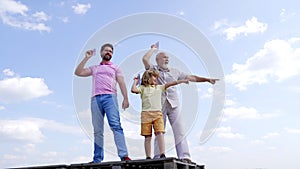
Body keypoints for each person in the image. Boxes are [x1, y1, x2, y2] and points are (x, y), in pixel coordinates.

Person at [142, 43, 218, 163]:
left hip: (174, 104)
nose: (167, 59)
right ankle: (158, 156)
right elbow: (145, 59)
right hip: (159, 104)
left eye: (168, 57)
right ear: (157, 59)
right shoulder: (153, 70)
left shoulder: (175, 71)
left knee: (180, 130)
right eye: (164, 57)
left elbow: (192, 77)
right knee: (159, 131)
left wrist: (206, 80)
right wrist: (153, 49)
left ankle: (185, 156)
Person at [74, 43, 131, 163]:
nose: (109, 52)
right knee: (98, 130)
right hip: (96, 99)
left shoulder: (115, 68)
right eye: (106, 50)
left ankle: (124, 155)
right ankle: (97, 159)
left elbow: (121, 83)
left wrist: (126, 98)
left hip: (110, 98)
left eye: (111, 51)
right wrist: (86, 57)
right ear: (101, 53)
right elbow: (78, 72)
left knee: (115, 125)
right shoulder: (95, 68)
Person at [131, 70, 188, 160]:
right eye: (153, 76)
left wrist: (181, 81)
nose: (155, 79)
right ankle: (148, 156)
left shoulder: (159, 87)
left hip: (157, 114)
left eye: (156, 77)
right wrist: (135, 81)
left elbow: (171, 84)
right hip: (146, 115)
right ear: (147, 78)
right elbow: (133, 90)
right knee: (147, 136)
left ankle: (162, 154)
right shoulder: (142, 88)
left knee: (160, 133)